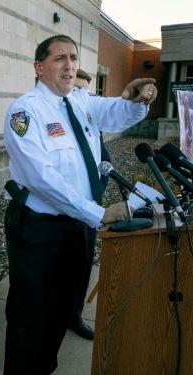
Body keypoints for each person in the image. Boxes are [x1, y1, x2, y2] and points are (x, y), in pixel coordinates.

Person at [3, 34, 157, 374]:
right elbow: (41, 178)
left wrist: (133, 101)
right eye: (60, 58)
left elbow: (115, 114)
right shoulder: (25, 111)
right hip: (40, 231)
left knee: (61, 311)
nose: (69, 64)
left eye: (73, 57)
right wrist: (99, 213)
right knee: (32, 318)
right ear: (39, 67)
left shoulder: (80, 100)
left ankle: (44, 367)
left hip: (78, 225)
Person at [67, 68, 111, 340]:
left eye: (86, 91)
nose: (82, 96)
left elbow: (104, 162)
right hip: (59, 213)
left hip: (89, 211)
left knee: (83, 266)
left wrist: (96, 197)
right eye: (76, 90)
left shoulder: (91, 123)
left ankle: (74, 317)